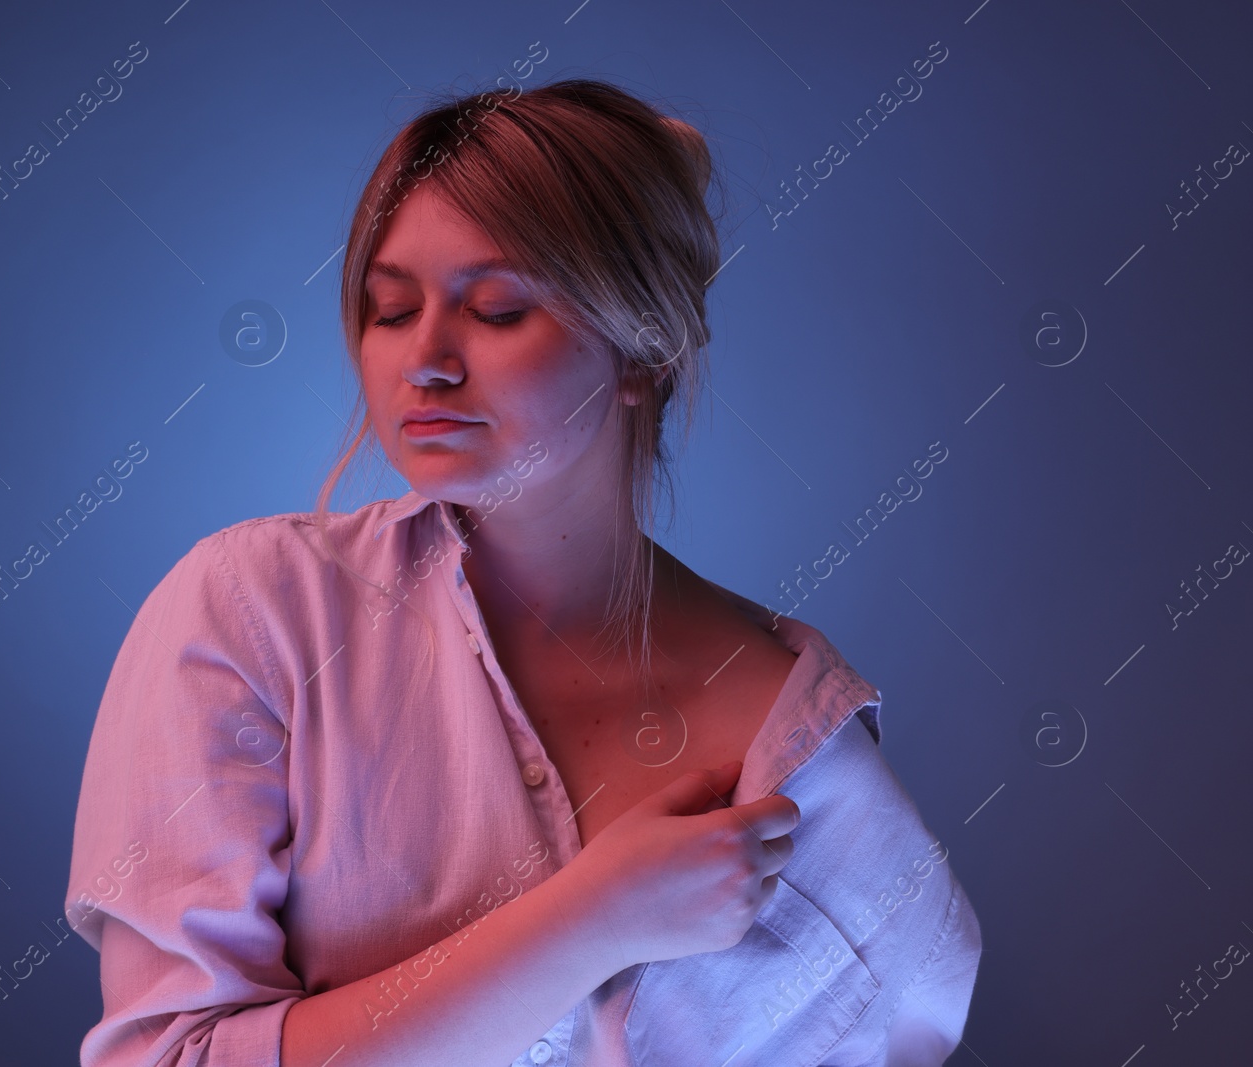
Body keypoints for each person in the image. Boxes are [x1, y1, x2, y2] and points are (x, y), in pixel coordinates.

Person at [65, 78, 982, 1066]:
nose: (425, 359)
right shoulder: (254, 612)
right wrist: (590, 920)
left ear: (643, 353)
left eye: (497, 310)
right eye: (388, 309)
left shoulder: (814, 762)